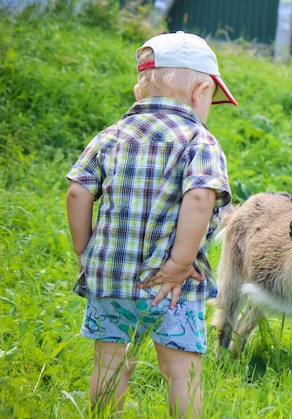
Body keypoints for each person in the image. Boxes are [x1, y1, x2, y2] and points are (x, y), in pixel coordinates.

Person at [66, 31, 237, 418]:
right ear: (201, 92)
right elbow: (199, 198)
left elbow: (78, 191)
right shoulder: (199, 141)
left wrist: (85, 252)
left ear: (139, 92)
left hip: (109, 276)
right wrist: (179, 263)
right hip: (173, 286)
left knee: (108, 366)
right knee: (181, 372)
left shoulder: (110, 136)